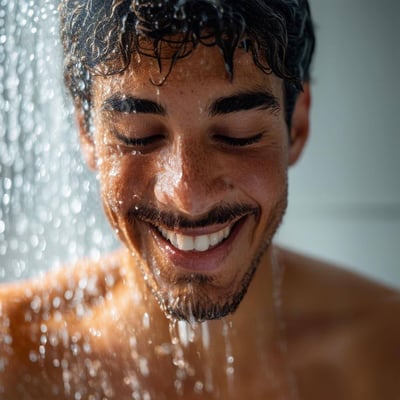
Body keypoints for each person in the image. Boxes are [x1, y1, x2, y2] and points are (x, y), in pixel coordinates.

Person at [1, 0, 399, 398]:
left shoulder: (386, 351)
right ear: (87, 135)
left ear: (296, 124)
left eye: (237, 134)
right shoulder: (12, 354)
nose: (188, 196)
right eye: (138, 135)